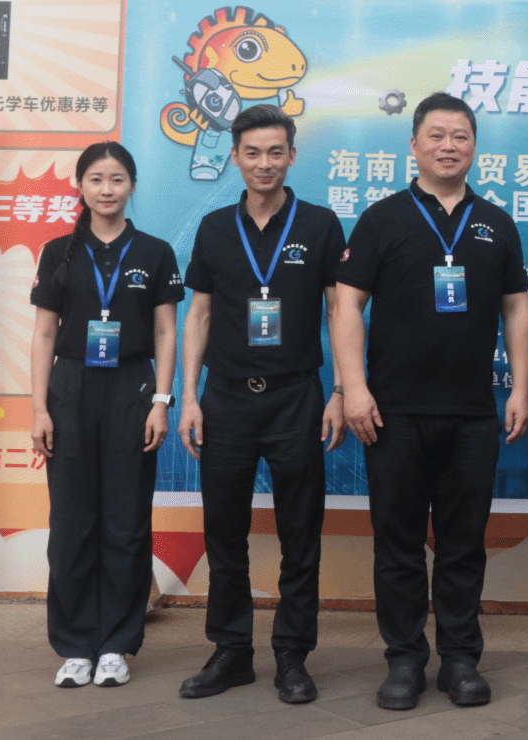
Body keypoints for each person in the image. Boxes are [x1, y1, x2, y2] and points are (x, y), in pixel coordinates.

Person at [332, 92, 528, 711]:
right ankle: (403, 660)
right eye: (437, 136)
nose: (449, 146)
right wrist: (354, 387)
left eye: (461, 136)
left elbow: (517, 310)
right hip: (392, 412)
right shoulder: (382, 218)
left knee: (462, 542)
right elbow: (347, 305)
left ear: (474, 147)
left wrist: (520, 387)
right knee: (396, 543)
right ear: (414, 145)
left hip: (471, 413)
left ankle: (461, 659)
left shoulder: (495, 222)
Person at [177, 105, 348, 704]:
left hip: (296, 397)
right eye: (252, 153)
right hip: (225, 399)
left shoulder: (321, 225)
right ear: (235, 157)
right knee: (224, 532)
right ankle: (231, 651)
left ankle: (293, 655)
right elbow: (198, 315)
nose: (264, 163)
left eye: (276, 152)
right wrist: (189, 398)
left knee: (301, 534)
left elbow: (340, 311)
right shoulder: (214, 227)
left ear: (292, 156)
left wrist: (340, 391)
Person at [29, 141, 182, 688]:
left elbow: (165, 331)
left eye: (117, 179)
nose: (107, 189)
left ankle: (116, 643)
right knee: (72, 523)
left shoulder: (155, 252)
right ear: (80, 186)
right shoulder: (58, 252)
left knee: (125, 521)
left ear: (132, 185)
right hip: (70, 389)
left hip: (132, 387)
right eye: (96, 179)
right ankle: (75, 646)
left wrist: (161, 401)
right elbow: (44, 334)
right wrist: (40, 407)